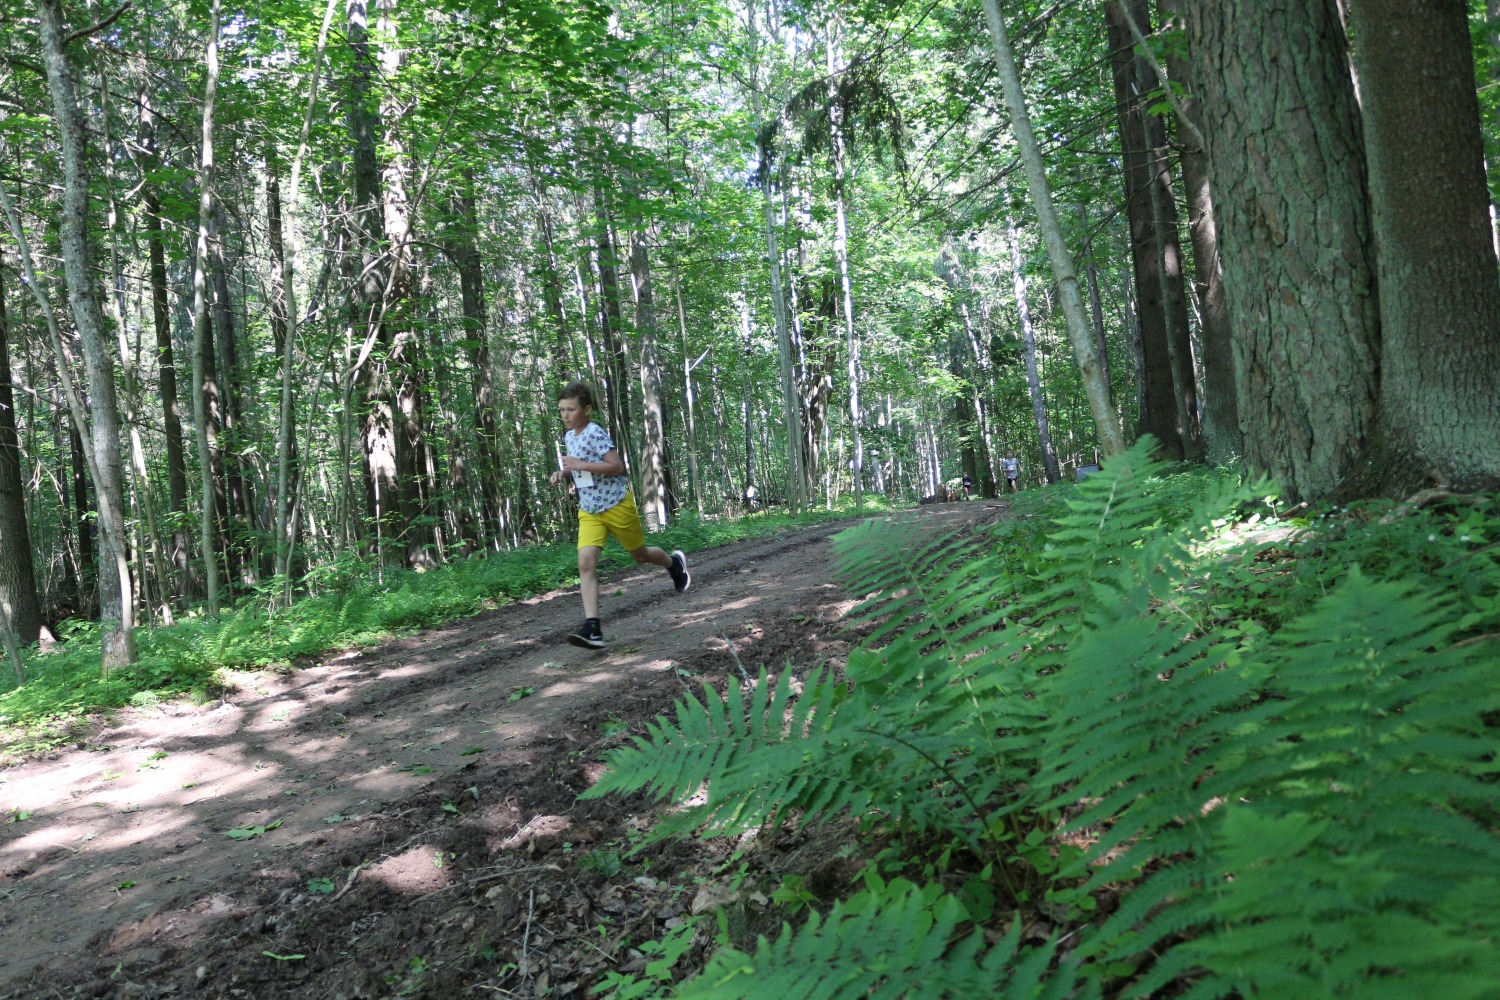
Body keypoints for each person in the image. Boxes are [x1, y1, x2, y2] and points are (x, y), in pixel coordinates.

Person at [549, 382, 689, 649]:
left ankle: (673, 563)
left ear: (587, 409)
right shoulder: (569, 437)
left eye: (571, 409)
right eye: (562, 410)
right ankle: (593, 628)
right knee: (586, 564)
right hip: (589, 510)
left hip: (615, 505)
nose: (565, 415)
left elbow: (617, 467)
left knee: (640, 555)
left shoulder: (594, 433)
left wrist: (578, 464)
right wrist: (564, 472)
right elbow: (580, 468)